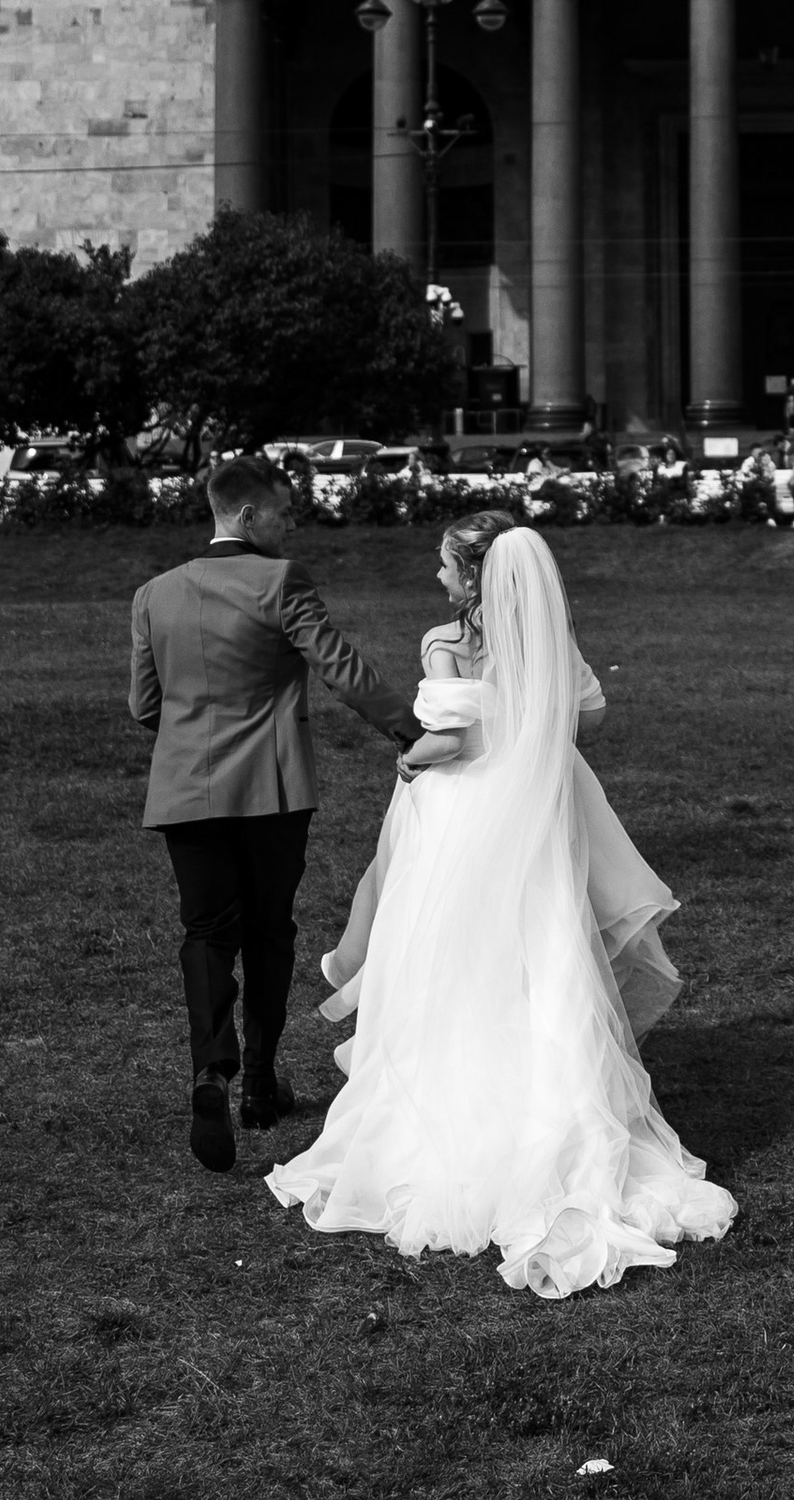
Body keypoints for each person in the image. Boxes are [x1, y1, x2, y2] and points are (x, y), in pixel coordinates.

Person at [267, 516, 736, 1300]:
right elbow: (586, 719)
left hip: (462, 824)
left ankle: (449, 1142)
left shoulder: (442, 641)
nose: (439, 580)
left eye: (447, 568)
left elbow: (445, 742)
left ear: (474, 577)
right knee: (541, 967)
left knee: (448, 968)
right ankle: (554, 1129)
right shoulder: (551, 642)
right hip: (536, 826)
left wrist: (409, 760)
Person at [128, 451, 422, 1174]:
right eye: (285, 513)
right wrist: (410, 727)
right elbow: (340, 665)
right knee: (268, 931)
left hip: (184, 794)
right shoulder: (280, 580)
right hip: (271, 792)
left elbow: (144, 706)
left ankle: (211, 1074)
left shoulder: (153, 594)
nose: (291, 526)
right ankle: (260, 1081)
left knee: (205, 932)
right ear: (249, 514)